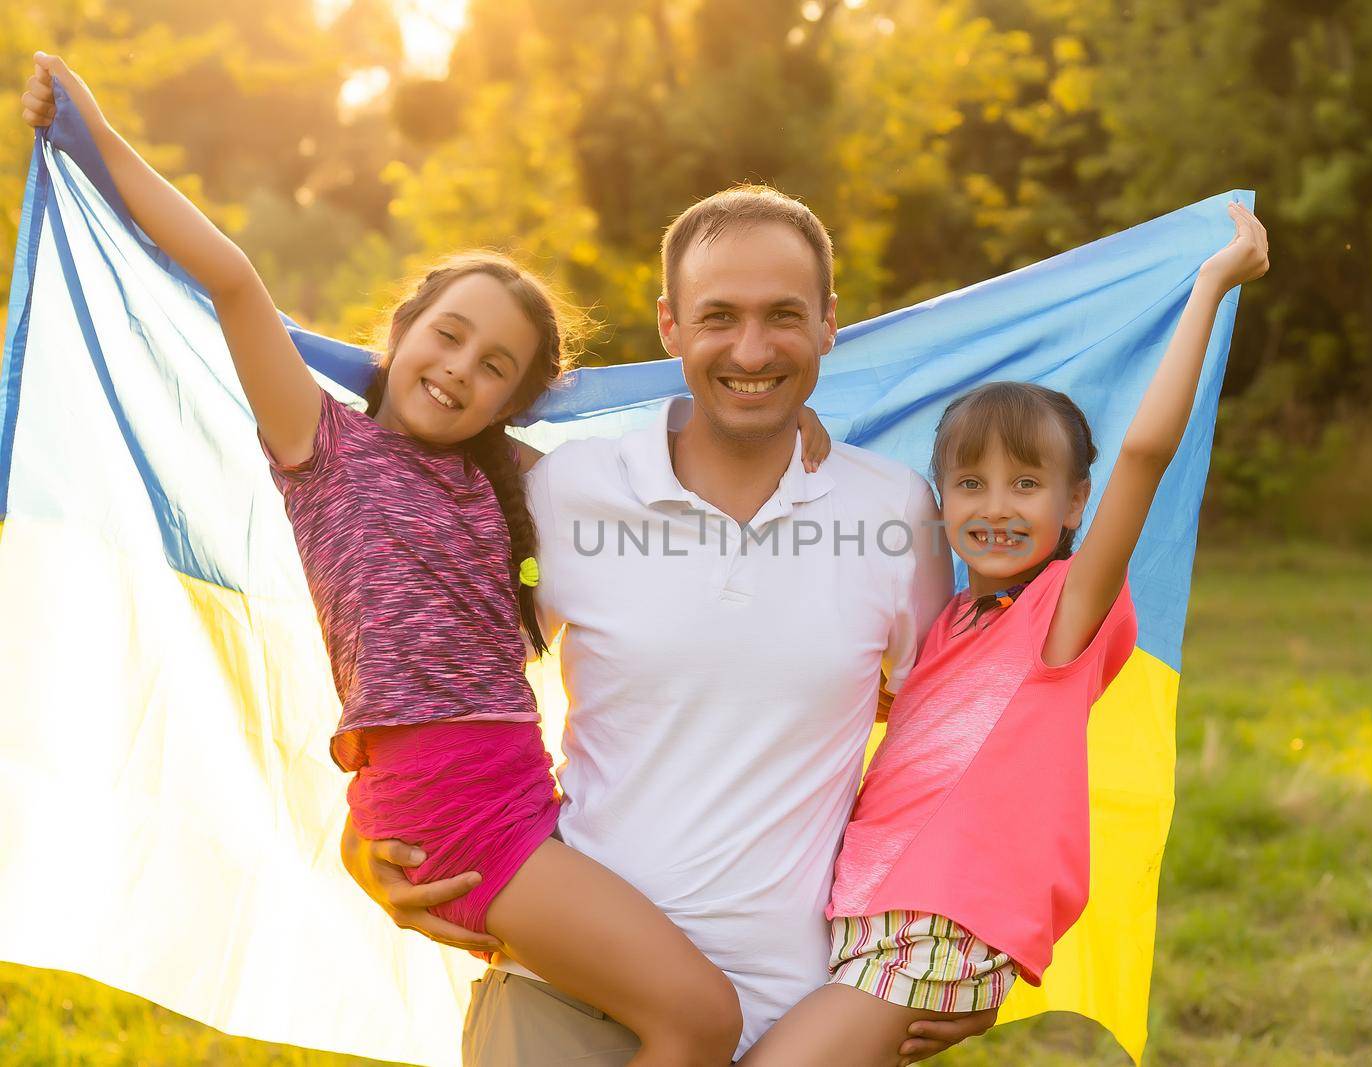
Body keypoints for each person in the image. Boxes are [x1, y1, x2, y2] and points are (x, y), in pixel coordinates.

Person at [20, 55, 817, 1067]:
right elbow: (229, 275)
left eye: (495, 367)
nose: (459, 369)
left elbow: (695, 464)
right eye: (448, 335)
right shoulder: (321, 445)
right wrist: (91, 136)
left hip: (517, 787)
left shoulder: (513, 481)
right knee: (698, 1019)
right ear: (397, 332)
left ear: (510, 403)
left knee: (685, 1000)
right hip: (452, 799)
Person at [343, 186, 1006, 1063]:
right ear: (670, 326)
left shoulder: (896, 512)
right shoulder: (565, 492)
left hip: (804, 1019)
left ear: (829, 323)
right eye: (718, 316)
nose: (752, 349)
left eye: (783, 316)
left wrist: (957, 950)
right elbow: (427, 665)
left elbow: (942, 758)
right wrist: (369, 841)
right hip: (568, 999)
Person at [739, 201, 1269, 1066]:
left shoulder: (1063, 616)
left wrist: (1207, 288)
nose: (995, 507)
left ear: (1073, 507)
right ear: (939, 502)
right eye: (972, 484)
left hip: (942, 918)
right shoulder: (945, 623)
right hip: (867, 906)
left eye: (1027, 484)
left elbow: (1143, 453)